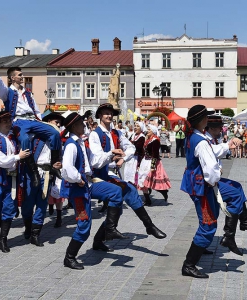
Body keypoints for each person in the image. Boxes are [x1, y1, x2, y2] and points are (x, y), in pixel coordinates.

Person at [180, 105, 246, 279]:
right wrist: (216, 178)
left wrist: (227, 145)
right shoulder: (200, 141)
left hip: (197, 184)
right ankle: (189, 265)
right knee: (208, 225)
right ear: (202, 120)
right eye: (207, 117)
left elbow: (211, 151)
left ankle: (215, 241)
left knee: (211, 218)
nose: (208, 120)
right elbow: (210, 167)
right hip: (202, 186)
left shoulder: (195, 136)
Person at [88, 103, 167, 241]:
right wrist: (111, 155)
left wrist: (123, 158)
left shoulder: (116, 133)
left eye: (111, 113)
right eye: (106, 113)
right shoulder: (95, 135)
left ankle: (147, 226)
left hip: (111, 173)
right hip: (97, 175)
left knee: (130, 192)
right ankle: (147, 226)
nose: (109, 115)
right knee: (124, 194)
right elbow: (96, 161)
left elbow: (131, 148)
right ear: (99, 115)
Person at [61, 112, 128, 270]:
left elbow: (94, 162)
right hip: (77, 190)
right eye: (80, 123)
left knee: (116, 192)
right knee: (84, 226)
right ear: (73, 126)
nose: (84, 125)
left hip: (88, 184)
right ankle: (69, 257)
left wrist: (111, 154)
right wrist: (78, 178)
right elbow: (66, 169)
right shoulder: (71, 144)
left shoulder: (81, 143)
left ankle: (110, 229)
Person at [0, 67, 61, 187]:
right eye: (19, 75)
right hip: (19, 120)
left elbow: (36, 109)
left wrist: (42, 121)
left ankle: (54, 164)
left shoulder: (28, 93)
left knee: (54, 133)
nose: (22, 77)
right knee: (25, 140)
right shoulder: (7, 92)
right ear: (12, 78)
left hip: (33, 119)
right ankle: (34, 173)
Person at [0, 111, 31, 252]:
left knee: (9, 209)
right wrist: (18, 157)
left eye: (9, 120)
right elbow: (0, 160)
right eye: (4, 120)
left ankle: (3, 239)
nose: (7, 122)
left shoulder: (14, 139)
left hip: (12, 179)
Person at [21, 112, 65, 246]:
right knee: (28, 204)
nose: (57, 125)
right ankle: (28, 227)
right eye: (55, 122)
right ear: (47, 122)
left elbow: (58, 159)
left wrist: (58, 164)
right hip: (31, 173)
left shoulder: (56, 141)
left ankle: (35, 235)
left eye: (59, 123)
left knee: (42, 204)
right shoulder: (33, 136)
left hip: (47, 174)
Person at [138, 124, 171, 205]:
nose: (147, 131)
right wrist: (139, 163)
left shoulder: (155, 140)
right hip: (145, 161)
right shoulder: (148, 139)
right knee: (142, 180)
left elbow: (155, 154)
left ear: (153, 131)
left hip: (152, 162)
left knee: (152, 181)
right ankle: (147, 200)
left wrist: (153, 166)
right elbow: (143, 152)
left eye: (149, 130)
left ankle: (163, 191)